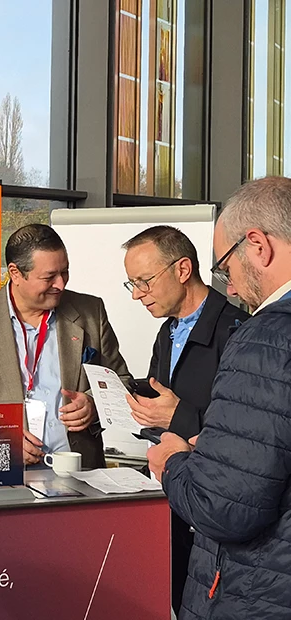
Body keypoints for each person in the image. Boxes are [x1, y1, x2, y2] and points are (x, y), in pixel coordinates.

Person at [148, 176, 291, 619]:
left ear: (258, 246)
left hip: (258, 592)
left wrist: (173, 461)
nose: (228, 287)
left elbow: (224, 508)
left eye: (227, 267)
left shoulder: (263, 338)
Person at [0, 223, 131, 473]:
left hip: (79, 473)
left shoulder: (91, 312)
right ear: (15, 273)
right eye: (49, 277)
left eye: (65, 272)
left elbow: (121, 381)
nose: (60, 284)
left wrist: (93, 404)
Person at [121, 225, 249, 613]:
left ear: (182, 270)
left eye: (144, 281)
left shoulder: (237, 332)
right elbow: (162, 400)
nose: (138, 294)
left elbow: (248, 433)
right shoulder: (167, 332)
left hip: (217, 511)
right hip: (171, 498)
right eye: (132, 284)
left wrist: (181, 417)